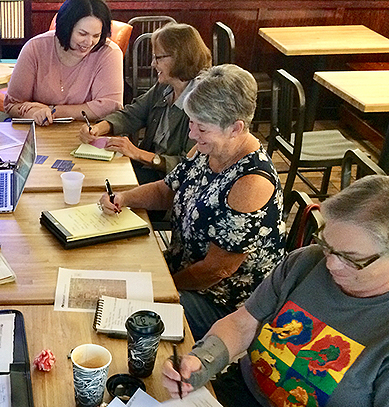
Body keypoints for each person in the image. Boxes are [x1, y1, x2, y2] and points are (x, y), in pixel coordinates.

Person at [163, 175, 389, 407]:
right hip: (241, 391)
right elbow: (243, 323)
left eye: (351, 258)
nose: (330, 263)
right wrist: (203, 360)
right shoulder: (306, 261)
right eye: (326, 244)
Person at [99, 64, 285, 340]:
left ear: (236, 128)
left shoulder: (251, 183)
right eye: (191, 122)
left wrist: (164, 287)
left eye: (202, 127)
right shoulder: (206, 149)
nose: (192, 135)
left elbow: (218, 269)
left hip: (223, 303)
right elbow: (167, 189)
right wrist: (123, 197)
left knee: (129, 323)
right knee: (110, 277)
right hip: (184, 269)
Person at [79, 23, 211, 184]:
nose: (153, 64)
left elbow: (189, 164)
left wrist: (137, 153)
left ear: (180, 56)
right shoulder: (165, 87)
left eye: (158, 57)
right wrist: (98, 128)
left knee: (101, 182)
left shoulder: (202, 103)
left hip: (170, 183)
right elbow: (132, 114)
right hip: (149, 170)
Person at [4, 0, 123, 125]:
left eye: (96, 36)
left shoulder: (109, 52)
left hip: (88, 132)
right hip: (38, 129)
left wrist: (52, 111)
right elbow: (12, 104)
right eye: (82, 34)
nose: (89, 42)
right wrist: (35, 113)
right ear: (66, 27)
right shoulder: (35, 48)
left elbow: (110, 107)